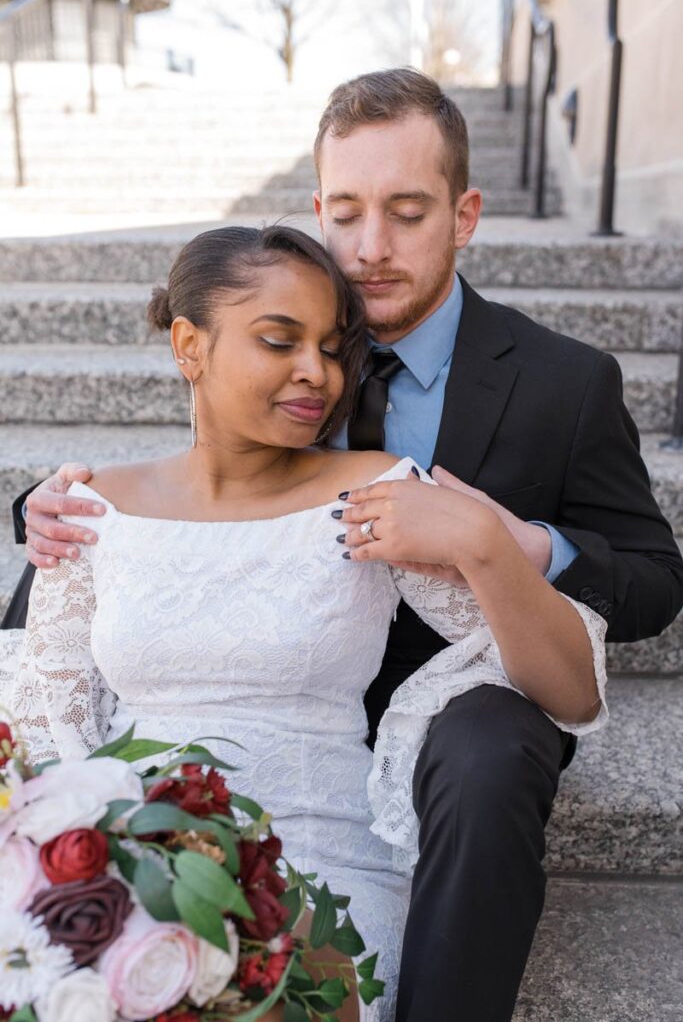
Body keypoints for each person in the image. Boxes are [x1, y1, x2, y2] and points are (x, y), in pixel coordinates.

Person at [4, 69, 682, 1021]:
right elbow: (179, 515)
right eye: (349, 213)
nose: (371, 249)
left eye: (407, 213)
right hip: (256, 674)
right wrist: (45, 516)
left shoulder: (563, 382)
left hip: (462, 683)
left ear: (464, 213)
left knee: (487, 748)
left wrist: (508, 542)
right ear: (317, 209)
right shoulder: (286, 337)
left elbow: (650, 583)